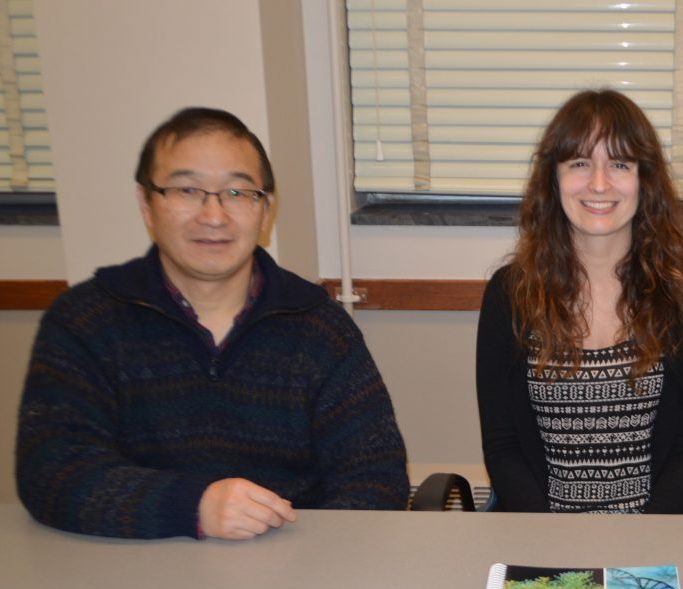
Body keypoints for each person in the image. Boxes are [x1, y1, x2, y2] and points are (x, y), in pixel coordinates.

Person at [17, 107, 410, 539]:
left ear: (265, 211)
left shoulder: (319, 326)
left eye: (238, 193)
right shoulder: (86, 321)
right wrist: (193, 506)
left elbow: (376, 477)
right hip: (133, 567)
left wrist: (302, 556)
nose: (214, 215)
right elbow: (52, 470)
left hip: (292, 568)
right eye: (187, 190)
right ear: (147, 204)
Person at [476, 89, 683, 513]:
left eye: (620, 164)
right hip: (541, 534)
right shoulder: (510, 293)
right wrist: (558, 547)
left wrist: (641, 546)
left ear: (645, 179)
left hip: (654, 535)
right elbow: (503, 447)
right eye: (580, 164)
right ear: (554, 178)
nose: (600, 183)